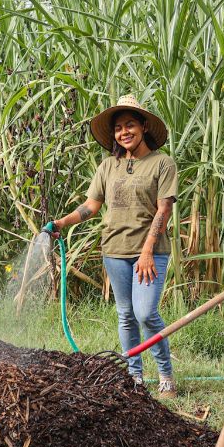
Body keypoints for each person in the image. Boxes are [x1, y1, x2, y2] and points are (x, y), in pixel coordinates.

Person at [46, 95, 178, 396]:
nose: (124, 132)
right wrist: (62, 223)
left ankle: (165, 373)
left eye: (130, 125)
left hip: (150, 252)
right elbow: (91, 206)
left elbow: (164, 210)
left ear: (144, 127)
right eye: (119, 128)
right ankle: (134, 376)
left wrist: (146, 251)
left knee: (146, 313)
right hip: (114, 251)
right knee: (125, 314)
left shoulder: (162, 163)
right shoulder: (108, 166)